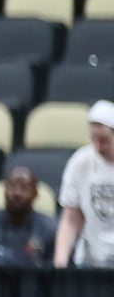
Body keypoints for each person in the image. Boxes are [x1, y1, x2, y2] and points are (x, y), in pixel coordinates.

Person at [54, 101, 114, 269]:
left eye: (104, 140)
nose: (98, 146)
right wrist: (60, 263)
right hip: (91, 259)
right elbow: (71, 218)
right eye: (93, 139)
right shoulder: (80, 162)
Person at [0, 166, 57, 268]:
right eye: (11, 187)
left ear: (35, 194)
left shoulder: (51, 230)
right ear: (4, 191)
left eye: (24, 188)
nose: (16, 193)